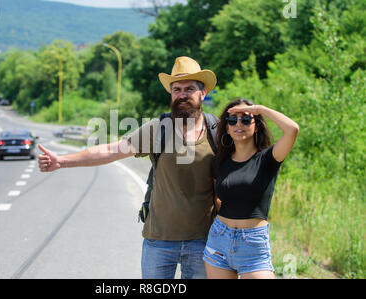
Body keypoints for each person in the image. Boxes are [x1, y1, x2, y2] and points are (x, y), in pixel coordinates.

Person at [38, 56, 218, 279]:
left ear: (203, 93)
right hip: (159, 242)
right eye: (176, 89)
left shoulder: (218, 132)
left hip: (204, 242)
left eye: (189, 89)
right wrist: (62, 161)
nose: (182, 95)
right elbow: (111, 150)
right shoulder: (158, 129)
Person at [203, 98, 299, 279]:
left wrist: (259, 108)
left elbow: (292, 129)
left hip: (253, 245)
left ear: (256, 125)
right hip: (219, 240)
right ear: (227, 128)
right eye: (232, 120)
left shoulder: (268, 159)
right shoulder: (219, 162)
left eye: (246, 119)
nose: (239, 124)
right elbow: (216, 198)